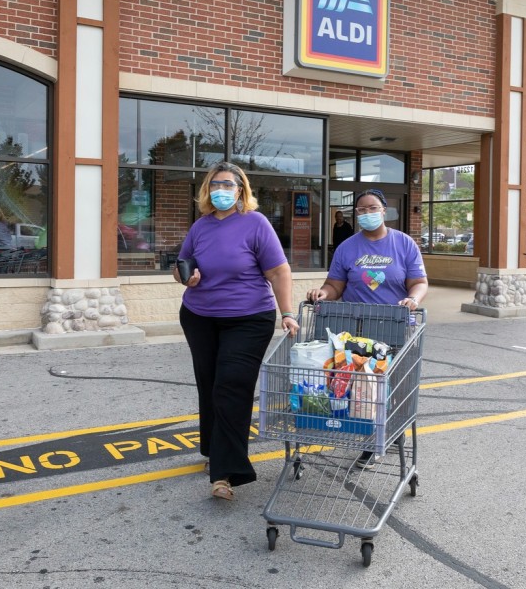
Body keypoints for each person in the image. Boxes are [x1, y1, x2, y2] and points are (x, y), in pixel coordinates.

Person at [175, 161, 299, 501]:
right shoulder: (200, 227)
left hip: (249, 317)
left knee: (232, 385)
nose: (221, 191)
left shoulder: (255, 224)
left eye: (228, 185)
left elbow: (278, 272)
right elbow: (181, 266)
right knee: (210, 384)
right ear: (206, 190)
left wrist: (287, 313)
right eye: (215, 185)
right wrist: (187, 276)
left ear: (241, 190)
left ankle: (226, 473)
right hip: (199, 315)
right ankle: (214, 451)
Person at [306, 188, 428, 469]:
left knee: (388, 389)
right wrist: (323, 293)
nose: (367, 213)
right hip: (355, 333)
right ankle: (368, 439)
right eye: (361, 210)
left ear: (384, 211)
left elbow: (419, 282)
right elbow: (335, 285)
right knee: (361, 391)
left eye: (372, 208)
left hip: (392, 327)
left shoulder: (404, 244)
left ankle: (382, 436)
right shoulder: (347, 247)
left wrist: (414, 299)